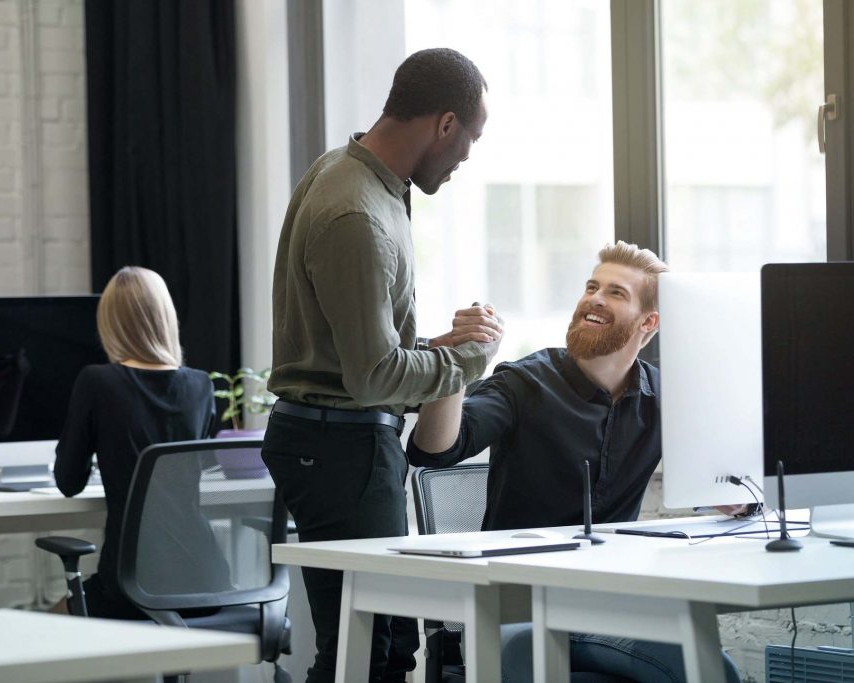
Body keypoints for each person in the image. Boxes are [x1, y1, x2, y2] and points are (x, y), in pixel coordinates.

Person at [261, 47, 503, 683]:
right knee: (367, 652)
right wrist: (469, 361)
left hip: (338, 440)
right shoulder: (357, 214)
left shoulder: (353, 173)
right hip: (339, 444)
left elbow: (369, 353)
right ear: (444, 125)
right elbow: (372, 377)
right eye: (470, 138)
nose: (468, 158)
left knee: (377, 645)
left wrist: (442, 351)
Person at [407, 241, 742, 682]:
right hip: (516, 609)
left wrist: (731, 494)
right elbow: (434, 450)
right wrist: (457, 365)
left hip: (605, 605)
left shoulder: (664, 399)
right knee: (697, 666)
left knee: (708, 663)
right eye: (591, 286)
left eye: (616, 292)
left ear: (649, 322)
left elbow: (721, 489)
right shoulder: (526, 381)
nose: (595, 298)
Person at [53, 266, 220, 619]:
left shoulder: (97, 382)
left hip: (131, 585)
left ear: (110, 323)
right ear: (165, 319)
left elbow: (68, 482)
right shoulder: (200, 385)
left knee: (39, 629)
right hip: (206, 579)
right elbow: (195, 466)